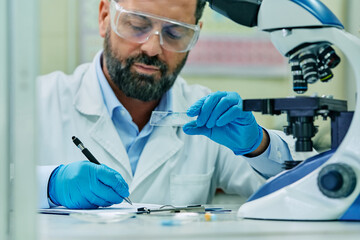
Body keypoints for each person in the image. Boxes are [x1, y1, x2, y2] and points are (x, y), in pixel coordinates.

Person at [37, 0, 314, 209]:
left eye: (175, 33)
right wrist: (49, 185)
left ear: (195, 36)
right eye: (137, 25)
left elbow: (313, 189)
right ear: (104, 16)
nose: (153, 48)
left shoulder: (208, 115)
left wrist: (259, 146)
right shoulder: (38, 102)